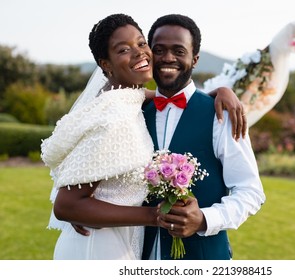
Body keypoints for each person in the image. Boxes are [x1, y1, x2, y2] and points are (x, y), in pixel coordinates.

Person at [41, 14, 245, 260]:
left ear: (195, 58)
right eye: (124, 49)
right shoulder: (113, 115)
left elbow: (250, 192)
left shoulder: (214, 113)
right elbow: (68, 203)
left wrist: (215, 94)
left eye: (140, 44)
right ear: (105, 64)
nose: (142, 53)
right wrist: (151, 215)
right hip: (102, 246)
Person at [141, 14, 266, 260]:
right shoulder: (137, 113)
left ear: (194, 59)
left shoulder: (221, 114)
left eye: (178, 50)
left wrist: (205, 219)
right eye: (159, 50)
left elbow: (250, 192)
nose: (167, 58)